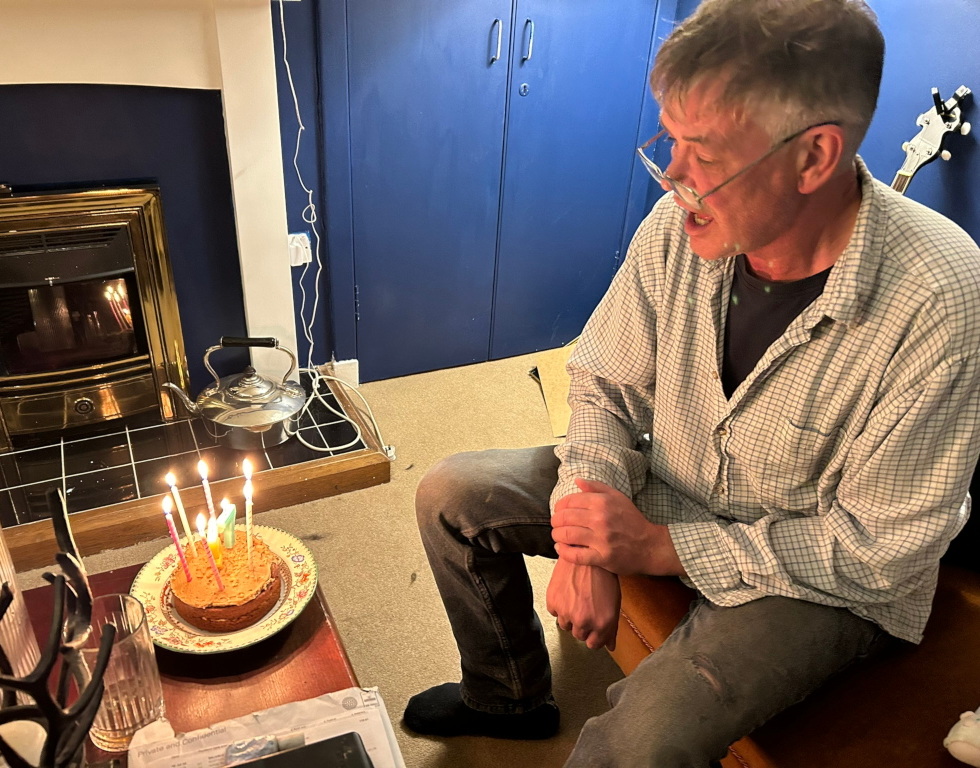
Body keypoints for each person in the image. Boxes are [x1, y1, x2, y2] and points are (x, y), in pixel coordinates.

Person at [402, 0, 980, 764]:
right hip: (672, 480)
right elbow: (606, 383)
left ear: (814, 156)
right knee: (450, 496)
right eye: (667, 140)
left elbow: (877, 552)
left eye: (701, 153)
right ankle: (506, 694)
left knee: (639, 742)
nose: (671, 176)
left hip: (817, 575)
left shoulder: (941, 297)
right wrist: (585, 532)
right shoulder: (682, 223)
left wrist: (658, 549)